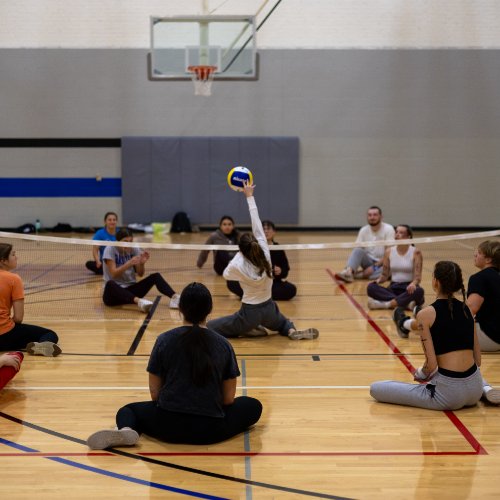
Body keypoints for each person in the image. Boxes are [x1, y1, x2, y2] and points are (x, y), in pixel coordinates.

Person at [86, 282, 262, 449]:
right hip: (211, 430)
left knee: (128, 410)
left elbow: (155, 395)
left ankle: (126, 430)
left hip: (167, 427)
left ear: (181, 309)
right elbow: (228, 399)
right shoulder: (223, 345)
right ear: (209, 310)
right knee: (253, 405)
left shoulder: (164, 340)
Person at [207, 181, 319, 340]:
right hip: (269, 307)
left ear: (242, 249)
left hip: (249, 313)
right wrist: (249, 196)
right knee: (281, 322)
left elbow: (225, 274)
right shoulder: (266, 251)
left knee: (212, 326)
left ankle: (248, 329)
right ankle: (291, 331)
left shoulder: (238, 264)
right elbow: (256, 222)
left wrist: (240, 254)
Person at [371, 261, 486, 410]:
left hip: (448, 396)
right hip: (475, 390)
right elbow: (478, 360)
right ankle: (486, 388)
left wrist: (420, 373)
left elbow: (431, 365)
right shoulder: (468, 310)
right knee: (460, 374)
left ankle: (482, 388)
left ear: (436, 282)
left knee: (376, 388)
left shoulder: (425, 315)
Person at [0, 243, 61, 356]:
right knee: (50, 334)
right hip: (4, 335)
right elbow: (18, 318)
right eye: (13, 255)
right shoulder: (14, 279)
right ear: (3, 260)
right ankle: (41, 346)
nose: (16, 257)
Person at [102, 228, 180, 312]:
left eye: (130, 241)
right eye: (125, 241)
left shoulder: (134, 248)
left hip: (131, 291)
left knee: (155, 276)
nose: (128, 244)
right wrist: (129, 263)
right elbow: (113, 274)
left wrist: (141, 264)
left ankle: (175, 297)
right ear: (118, 241)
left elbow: (140, 274)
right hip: (114, 295)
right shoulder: (110, 249)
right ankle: (139, 302)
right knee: (110, 284)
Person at [227, 220, 297, 301]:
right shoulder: (252, 246)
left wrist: (280, 271)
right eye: (263, 229)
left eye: (268, 229)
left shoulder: (278, 248)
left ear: (274, 232)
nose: (266, 231)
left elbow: (285, 270)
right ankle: (262, 295)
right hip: (253, 282)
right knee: (231, 282)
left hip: (271, 283)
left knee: (291, 290)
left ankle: (254, 295)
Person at [367, 224, 424, 310]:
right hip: (394, 287)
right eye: (396, 232)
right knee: (371, 287)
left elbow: (417, 277)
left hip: (409, 288)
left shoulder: (416, 252)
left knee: (419, 291)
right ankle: (405, 303)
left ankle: (387, 304)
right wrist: (378, 281)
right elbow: (384, 276)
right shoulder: (389, 251)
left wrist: (413, 284)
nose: (397, 234)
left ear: (408, 236)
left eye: (401, 232)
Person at [335, 206, 395, 283]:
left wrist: (374, 267)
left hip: (383, 263)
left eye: (375, 215)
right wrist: (371, 267)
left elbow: (389, 254)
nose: (372, 217)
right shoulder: (363, 230)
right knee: (357, 250)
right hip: (368, 262)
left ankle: (356, 275)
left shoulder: (388, 229)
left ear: (381, 216)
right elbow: (357, 251)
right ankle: (349, 271)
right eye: (369, 215)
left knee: (391, 271)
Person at [466, 240, 500, 352]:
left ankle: (408, 324)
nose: (475, 254)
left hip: (490, 338)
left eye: (479, 253)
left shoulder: (479, 278)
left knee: (439, 325)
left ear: (488, 259)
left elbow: (470, 309)